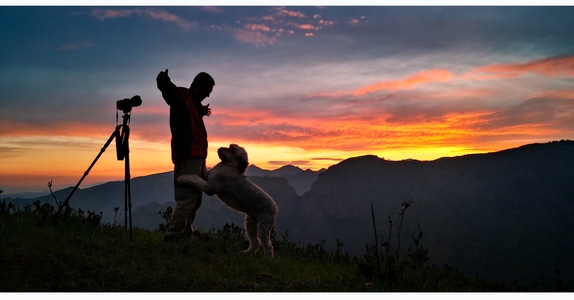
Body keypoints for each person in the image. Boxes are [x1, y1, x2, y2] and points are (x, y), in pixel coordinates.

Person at [156, 69, 215, 242]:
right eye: (207, 91)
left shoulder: (193, 103)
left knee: (195, 200)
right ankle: (173, 234)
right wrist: (163, 81)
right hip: (188, 156)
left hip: (197, 157)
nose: (208, 96)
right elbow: (169, 93)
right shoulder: (182, 96)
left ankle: (187, 233)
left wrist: (201, 111)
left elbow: (193, 111)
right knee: (187, 197)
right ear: (199, 87)